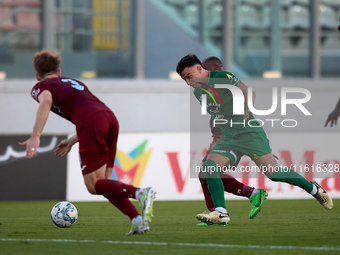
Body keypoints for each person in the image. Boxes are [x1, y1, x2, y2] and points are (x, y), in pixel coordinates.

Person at [176, 54, 333, 225]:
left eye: (189, 77)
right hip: (229, 139)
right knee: (208, 167)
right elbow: (217, 115)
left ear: (199, 69)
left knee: (274, 174)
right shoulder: (199, 92)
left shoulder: (222, 77)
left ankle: (313, 189)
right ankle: (221, 212)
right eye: (184, 80)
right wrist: (217, 140)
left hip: (250, 134)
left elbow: (248, 92)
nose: (188, 83)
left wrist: (247, 109)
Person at [19, 49, 156, 235]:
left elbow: (46, 101)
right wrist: (73, 140)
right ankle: (138, 220)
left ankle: (140, 192)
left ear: (37, 75)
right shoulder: (75, 82)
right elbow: (91, 112)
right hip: (109, 118)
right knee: (105, 183)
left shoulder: (40, 87)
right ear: (59, 72)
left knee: (93, 185)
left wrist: (35, 135)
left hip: (91, 122)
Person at [199, 56, 268, 221]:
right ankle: (251, 195)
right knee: (205, 174)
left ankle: (218, 211)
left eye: (206, 69)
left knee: (206, 172)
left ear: (216, 68)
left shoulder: (228, 86)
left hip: (231, 138)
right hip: (222, 137)